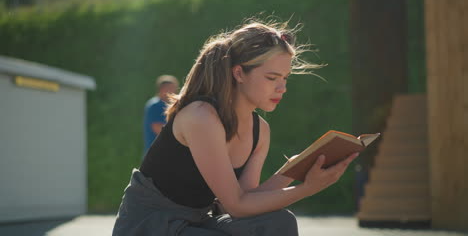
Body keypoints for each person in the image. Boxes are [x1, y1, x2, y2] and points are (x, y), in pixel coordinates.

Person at [113, 20, 359, 236]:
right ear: (239, 73)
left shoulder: (260, 131)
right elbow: (237, 206)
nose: (282, 88)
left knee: (279, 222)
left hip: (196, 224)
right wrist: (307, 189)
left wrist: (293, 170)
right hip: (151, 227)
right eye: (272, 78)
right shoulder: (202, 117)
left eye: (285, 78)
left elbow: (247, 201)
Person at [143, 75, 179, 156]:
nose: (175, 91)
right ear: (162, 89)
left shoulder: (172, 105)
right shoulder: (154, 105)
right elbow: (157, 127)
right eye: (171, 88)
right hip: (155, 153)